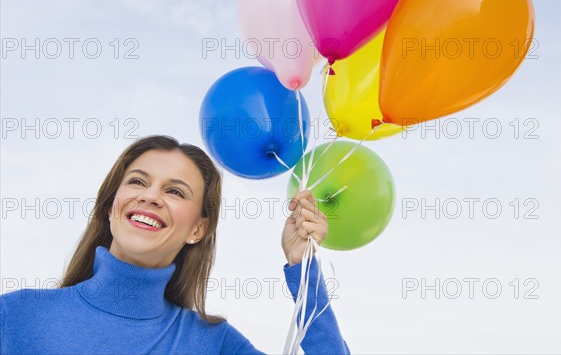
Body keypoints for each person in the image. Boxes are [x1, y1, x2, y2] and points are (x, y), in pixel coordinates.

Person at [0, 135, 350, 354]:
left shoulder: (214, 344)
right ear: (111, 207)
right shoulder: (16, 315)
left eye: (175, 191)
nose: (150, 197)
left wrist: (303, 269)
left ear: (198, 228)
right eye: (138, 182)